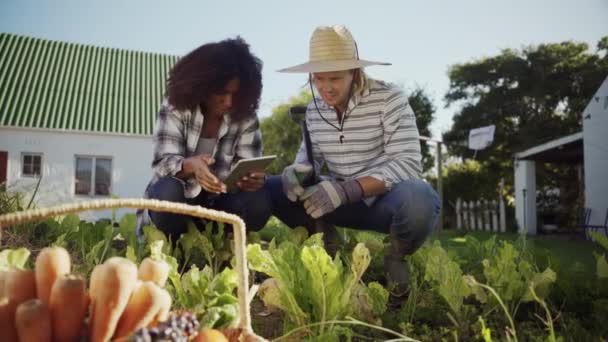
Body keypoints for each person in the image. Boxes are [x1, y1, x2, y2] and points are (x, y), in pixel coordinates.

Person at [266, 25, 441, 298]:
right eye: (318, 79)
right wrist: (296, 173)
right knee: (274, 187)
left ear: (355, 73)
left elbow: (408, 164)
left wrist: (350, 189)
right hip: (334, 201)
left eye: (334, 79)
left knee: (421, 198)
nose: (325, 88)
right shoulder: (314, 111)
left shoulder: (389, 99)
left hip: (385, 203)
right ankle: (331, 248)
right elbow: (308, 159)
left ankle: (396, 257)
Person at [136, 37, 271, 240]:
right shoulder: (175, 108)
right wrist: (191, 166)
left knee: (259, 201)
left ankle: (222, 248)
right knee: (167, 191)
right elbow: (163, 164)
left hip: (221, 204)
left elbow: (246, 166)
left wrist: (251, 181)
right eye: (222, 93)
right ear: (202, 86)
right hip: (180, 204)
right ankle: (173, 248)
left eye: (236, 94)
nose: (229, 101)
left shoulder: (246, 117)